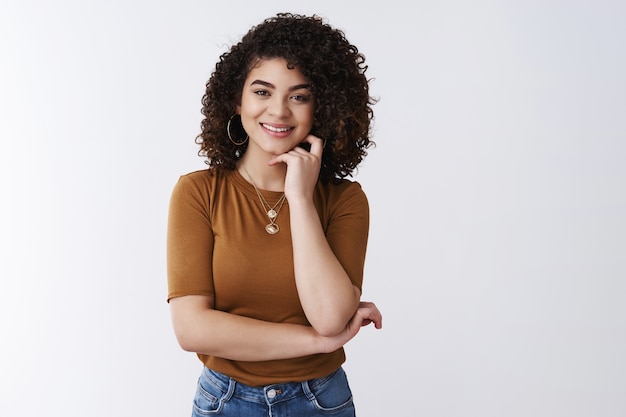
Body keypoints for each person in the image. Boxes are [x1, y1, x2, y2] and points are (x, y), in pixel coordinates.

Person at [166, 13, 382, 417]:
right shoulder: (198, 193)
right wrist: (318, 343)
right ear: (238, 99)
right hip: (224, 402)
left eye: (299, 96)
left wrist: (299, 200)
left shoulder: (344, 200)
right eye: (262, 92)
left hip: (321, 402)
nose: (279, 111)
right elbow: (192, 329)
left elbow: (331, 315)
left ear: (322, 106)